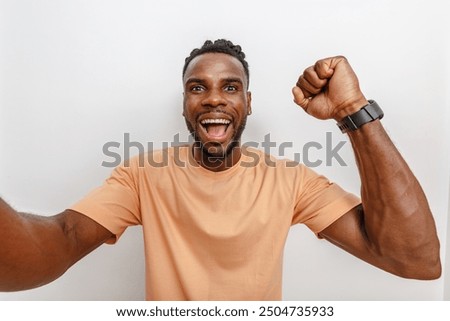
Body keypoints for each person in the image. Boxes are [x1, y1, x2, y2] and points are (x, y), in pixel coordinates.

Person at [0, 39, 441, 300]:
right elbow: (63, 239)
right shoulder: (143, 176)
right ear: (186, 104)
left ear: (247, 103)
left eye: (231, 87)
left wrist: (352, 109)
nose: (213, 98)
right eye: (198, 88)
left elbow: (414, 260)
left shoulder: (290, 180)